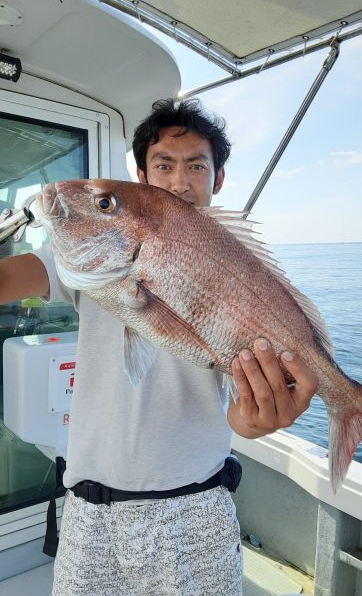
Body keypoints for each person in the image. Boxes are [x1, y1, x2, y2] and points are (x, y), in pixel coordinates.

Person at [0, 98, 317, 596]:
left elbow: (239, 417)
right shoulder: (93, 252)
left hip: (194, 511)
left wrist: (257, 421)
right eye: (163, 165)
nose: (179, 181)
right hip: (89, 512)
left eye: (196, 166)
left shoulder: (236, 268)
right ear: (142, 176)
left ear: (218, 179)